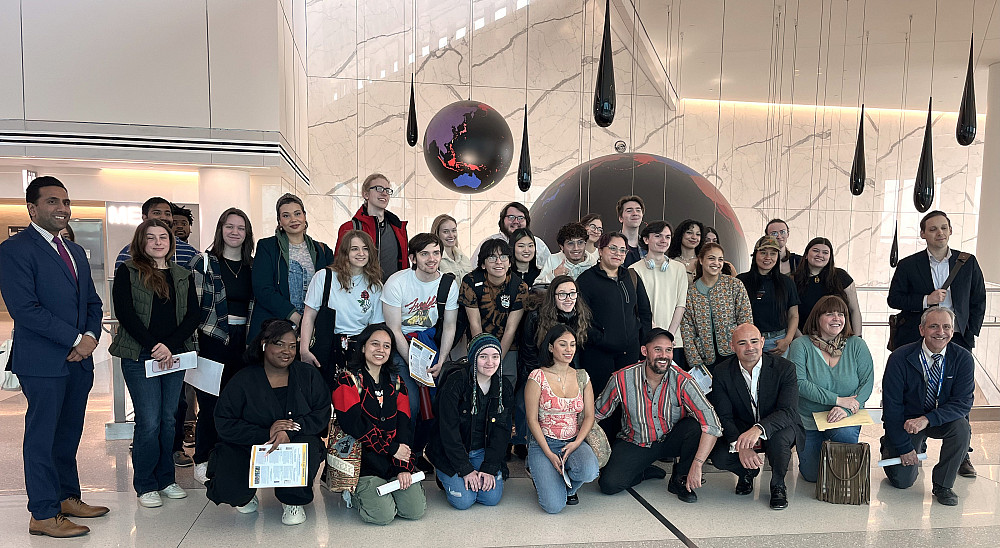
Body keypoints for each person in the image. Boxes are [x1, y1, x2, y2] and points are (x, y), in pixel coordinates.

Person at [0, 176, 106, 538]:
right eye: (52, 202)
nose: (62, 208)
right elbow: (25, 309)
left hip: (79, 359)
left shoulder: (74, 250)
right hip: (44, 362)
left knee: (69, 432)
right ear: (32, 208)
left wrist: (90, 337)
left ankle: (65, 497)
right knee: (41, 437)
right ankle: (42, 513)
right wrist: (76, 339)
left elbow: (92, 301)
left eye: (65, 201)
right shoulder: (14, 250)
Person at [109, 219, 200, 508]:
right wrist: (153, 346)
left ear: (171, 242)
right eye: (151, 238)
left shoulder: (183, 274)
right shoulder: (129, 271)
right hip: (140, 356)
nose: (158, 242)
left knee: (168, 419)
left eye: (164, 237)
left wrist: (169, 346)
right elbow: (125, 312)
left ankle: (166, 479)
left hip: (173, 356)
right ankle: (146, 484)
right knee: (148, 421)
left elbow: (193, 316)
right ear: (141, 242)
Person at [888, 210, 984, 478]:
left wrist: (968, 334)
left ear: (950, 231)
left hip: (956, 339)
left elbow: (978, 300)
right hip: (917, 339)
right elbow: (894, 299)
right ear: (923, 234)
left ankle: (961, 454)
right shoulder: (909, 264)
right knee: (915, 394)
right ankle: (907, 441)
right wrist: (925, 300)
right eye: (932, 229)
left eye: (944, 228)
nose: (939, 233)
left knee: (958, 398)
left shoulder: (967, 263)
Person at [205, 319, 330, 525]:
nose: (287, 351)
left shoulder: (307, 375)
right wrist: (266, 432)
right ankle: (243, 496)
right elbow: (224, 421)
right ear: (264, 344)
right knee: (228, 473)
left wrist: (290, 431)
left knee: (308, 445)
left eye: (292, 346)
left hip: (295, 441)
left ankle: (292, 501)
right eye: (279, 344)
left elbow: (322, 412)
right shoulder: (243, 379)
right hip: (250, 444)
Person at [596, 328, 722, 503]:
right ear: (644, 351)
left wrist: (698, 464)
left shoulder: (683, 380)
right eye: (657, 349)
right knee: (609, 485)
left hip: (671, 439)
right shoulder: (622, 378)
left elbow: (713, 423)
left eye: (668, 350)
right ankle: (643, 470)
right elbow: (597, 414)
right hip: (636, 441)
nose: (664, 355)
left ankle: (680, 478)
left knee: (695, 427)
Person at [333, 324, 426, 525]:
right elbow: (354, 426)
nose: (380, 350)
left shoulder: (397, 382)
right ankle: (353, 493)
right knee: (383, 516)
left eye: (386, 346)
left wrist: (403, 466)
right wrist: (392, 449)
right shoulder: (347, 380)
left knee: (414, 511)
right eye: (375, 344)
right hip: (363, 464)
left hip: (393, 461)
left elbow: (404, 425)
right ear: (363, 347)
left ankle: (386, 488)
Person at [880, 307, 974, 506]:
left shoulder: (963, 358)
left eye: (946, 327)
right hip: (907, 422)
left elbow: (962, 403)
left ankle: (943, 484)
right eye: (934, 326)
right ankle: (891, 444)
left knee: (961, 427)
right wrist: (904, 447)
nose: (941, 332)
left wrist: (928, 419)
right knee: (902, 481)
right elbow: (892, 407)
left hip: (939, 418)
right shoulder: (899, 358)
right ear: (922, 330)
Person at [188, 208, 255, 484]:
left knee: (239, 403)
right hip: (212, 339)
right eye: (230, 226)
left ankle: (232, 457)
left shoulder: (253, 265)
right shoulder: (204, 262)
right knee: (210, 403)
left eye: (241, 228)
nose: (235, 232)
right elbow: (192, 306)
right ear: (221, 229)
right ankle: (203, 458)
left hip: (246, 341)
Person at [382, 233, 460, 469]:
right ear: (413, 258)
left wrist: (443, 360)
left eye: (436, 253)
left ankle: (419, 451)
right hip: (401, 345)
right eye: (424, 253)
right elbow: (394, 329)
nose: (431, 258)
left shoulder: (448, 284)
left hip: (432, 346)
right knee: (411, 403)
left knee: (437, 403)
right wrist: (412, 363)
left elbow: (449, 326)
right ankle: (402, 452)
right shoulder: (397, 282)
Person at [707, 323, 805, 510]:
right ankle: (746, 473)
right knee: (719, 456)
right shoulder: (721, 372)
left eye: (754, 341)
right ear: (732, 347)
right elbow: (724, 415)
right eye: (742, 343)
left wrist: (758, 429)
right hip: (741, 427)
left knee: (780, 440)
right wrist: (739, 445)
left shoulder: (785, 368)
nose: (749, 347)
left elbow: (789, 411)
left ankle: (778, 485)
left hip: (777, 426)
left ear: (762, 342)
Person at [788, 296, 874, 483]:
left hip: (845, 416)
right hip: (809, 418)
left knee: (841, 455)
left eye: (841, 314)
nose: (837, 318)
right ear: (817, 318)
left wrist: (844, 408)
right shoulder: (800, 345)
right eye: (829, 314)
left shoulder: (857, 345)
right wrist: (838, 400)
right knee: (812, 475)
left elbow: (867, 383)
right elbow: (799, 384)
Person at [427, 333, 513, 510]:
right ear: (473, 358)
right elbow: (448, 431)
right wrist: (464, 468)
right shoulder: (455, 383)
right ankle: (444, 474)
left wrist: (489, 467)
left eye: (495, 356)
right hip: (453, 451)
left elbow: (502, 432)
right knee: (464, 501)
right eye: (483, 356)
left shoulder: (504, 386)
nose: (490, 362)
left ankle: (470, 474)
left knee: (491, 498)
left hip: (482, 451)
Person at [525, 325, 600, 513]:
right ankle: (540, 473)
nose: (569, 350)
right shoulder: (537, 377)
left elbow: (590, 416)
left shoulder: (582, 376)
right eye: (563, 344)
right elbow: (532, 420)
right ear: (551, 347)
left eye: (573, 345)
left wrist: (576, 443)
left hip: (572, 441)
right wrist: (549, 454)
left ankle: (560, 481)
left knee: (590, 471)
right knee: (553, 507)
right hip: (544, 443)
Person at [517, 275, 593, 459]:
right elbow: (527, 349)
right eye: (562, 294)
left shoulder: (580, 314)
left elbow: (579, 346)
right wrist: (544, 376)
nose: (568, 298)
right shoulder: (536, 315)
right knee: (528, 408)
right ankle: (527, 447)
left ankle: (568, 442)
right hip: (536, 366)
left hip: (568, 366)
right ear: (553, 296)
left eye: (572, 293)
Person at [300, 230, 384, 389]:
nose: (361, 253)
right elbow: (309, 317)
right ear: (345, 252)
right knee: (323, 395)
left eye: (365, 249)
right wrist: (304, 349)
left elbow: (375, 328)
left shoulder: (375, 285)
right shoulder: (324, 277)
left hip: (358, 348)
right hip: (326, 346)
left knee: (355, 399)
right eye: (354, 249)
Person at [249, 193, 334, 340]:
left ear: (305, 216)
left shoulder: (322, 251)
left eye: (297, 213)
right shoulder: (267, 247)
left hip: (312, 330)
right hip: (274, 328)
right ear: (279, 221)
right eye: (286, 216)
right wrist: (295, 317)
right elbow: (263, 289)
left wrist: (309, 322)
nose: (293, 219)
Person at [577, 232, 652, 397]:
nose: (618, 253)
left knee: (628, 401)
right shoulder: (586, 280)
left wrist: (641, 342)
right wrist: (602, 339)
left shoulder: (631, 276)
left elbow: (645, 313)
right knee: (601, 403)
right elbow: (581, 319)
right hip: (599, 355)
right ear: (601, 250)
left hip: (630, 354)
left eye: (622, 250)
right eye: (613, 248)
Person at [459, 239, 529, 389]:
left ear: (510, 262)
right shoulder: (470, 281)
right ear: (483, 264)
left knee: (506, 385)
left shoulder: (520, 287)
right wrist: (483, 355)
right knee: (476, 386)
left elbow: (511, 328)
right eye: (492, 257)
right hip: (479, 341)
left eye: (504, 257)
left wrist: (496, 360)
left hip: (507, 345)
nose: (499, 262)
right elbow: (475, 323)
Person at [681, 242, 753, 370]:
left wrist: (744, 350)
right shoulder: (690, 293)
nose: (716, 263)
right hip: (704, 357)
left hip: (733, 353)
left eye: (720, 259)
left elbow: (746, 320)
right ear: (701, 260)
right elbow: (687, 331)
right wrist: (695, 362)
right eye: (711, 258)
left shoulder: (734, 285)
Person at [629, 220, 688, 368]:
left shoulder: (679, 268)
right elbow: (637, 308)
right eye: (658, 236)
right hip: (646, 339)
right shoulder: (633, 270)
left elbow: (681, 305)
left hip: (674, 341)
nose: (664, 240)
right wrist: (654, 335)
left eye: (667, 237)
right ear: (646, 239)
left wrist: (669, 336)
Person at [337, 173, 409, 282]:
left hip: (392, 294)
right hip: (361, 293)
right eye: (379, 189)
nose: (384, 193)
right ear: (366, 194)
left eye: (387, 190)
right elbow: (340, 265)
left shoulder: (398, 228)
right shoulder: (350, 228)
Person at [736, 236, 799, 356]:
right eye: (763, 253)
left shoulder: (787, 282)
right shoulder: (740, 281)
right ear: (755, 255)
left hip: (777, 342)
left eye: (773, 254)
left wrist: (787, 340)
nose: (768, 257)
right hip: (749, 341)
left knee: (778, 374)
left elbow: (793, 315)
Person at [792, 237, 862, 335]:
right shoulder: (793, 280)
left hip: (840, 339)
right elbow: (790, 316)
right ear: (806, 255)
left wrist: (857, 338)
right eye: (816, 251)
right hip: (805, 338)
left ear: (830, 257)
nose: (820, 255)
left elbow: (854, 310)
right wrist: (802, 342)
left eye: (825, 252)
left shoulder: (842, 277)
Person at [114, 197, 198, 268]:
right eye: (157, 213)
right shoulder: (129, 253)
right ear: (144, 217)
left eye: (168, 214)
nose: (163, 217)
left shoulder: (189, 252)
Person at [472, 202, 551, 267]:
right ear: (503, 220)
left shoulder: (538, 244)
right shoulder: (490, 243)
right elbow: (473, 267)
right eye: (511, 217)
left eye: (521, 218)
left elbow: (548, 269)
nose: (516, 221)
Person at [432, 213, 473, 280]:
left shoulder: (463, 258)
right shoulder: (434, 260)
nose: (451, 235)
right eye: (446, 232)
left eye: (454, 230)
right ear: (437, 234)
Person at [616, 195, 645, 267]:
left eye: (638, 210)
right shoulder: (611, 245)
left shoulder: (647, 246)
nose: (635, 214)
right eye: (629, 211)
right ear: (620, 218)